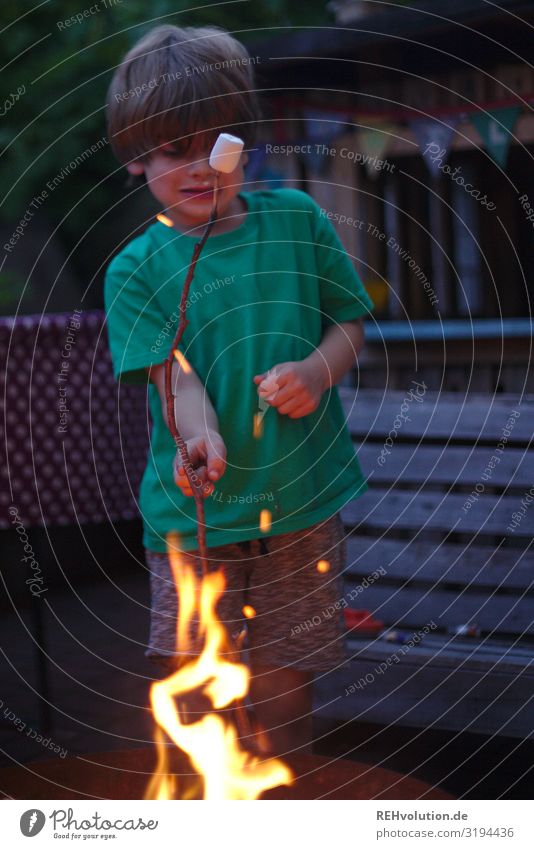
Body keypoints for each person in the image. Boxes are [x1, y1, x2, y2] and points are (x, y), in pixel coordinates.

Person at [104, 24, 374, 755]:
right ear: (136, 158)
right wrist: (202, 434)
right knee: (195, 679)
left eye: (213, 143)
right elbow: (173, 375)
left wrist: (317, 372)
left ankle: (280, 791)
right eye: (172, 149)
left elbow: (349, 323)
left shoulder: (299, 221)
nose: (198, 167)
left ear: (243, 141)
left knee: (291, 667)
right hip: (195, 515)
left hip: (301, 499)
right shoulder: (134, 267)